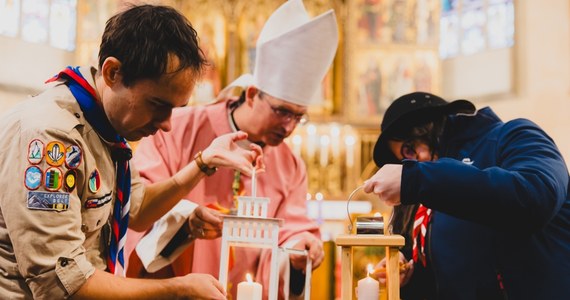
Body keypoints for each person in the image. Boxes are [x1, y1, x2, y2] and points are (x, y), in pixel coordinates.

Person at [0, 4, 263, 299]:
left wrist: (202, 164)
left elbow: (136, 210)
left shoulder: (106, 127)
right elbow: (61, 284)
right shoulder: (51, 139)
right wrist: (177, 288)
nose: (167, 125)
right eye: (157, 104)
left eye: (175, 110)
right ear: (113, 72)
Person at [124, 0, 339, 298]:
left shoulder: (290, 164)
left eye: (299, 117)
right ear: (252, 95)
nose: (290, 126)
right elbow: (139, 202)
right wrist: (188, 218)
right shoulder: (175, 127)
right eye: (283, 112)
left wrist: (301, 246)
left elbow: (293, 227)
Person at [364, 92, 570, 299]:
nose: (413, 161)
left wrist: (416, 179)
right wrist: (407, 270)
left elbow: (537, 197)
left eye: (408, 150)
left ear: (426, 128)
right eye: (403, 160)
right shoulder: (431, 181)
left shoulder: (513, 135)